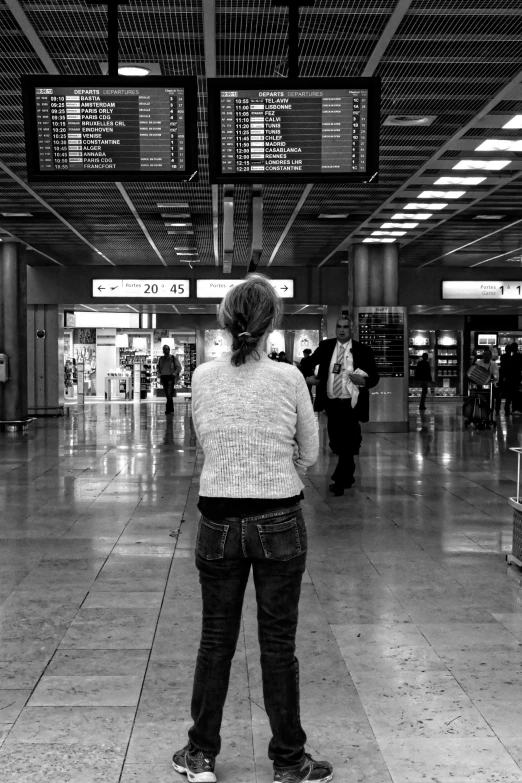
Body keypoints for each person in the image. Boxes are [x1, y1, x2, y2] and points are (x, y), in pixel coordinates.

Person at [172, 274, 332, 783]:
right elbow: (311, 451)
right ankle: (289, 760)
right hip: (279, 520)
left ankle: (199, 754)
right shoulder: (288, 379)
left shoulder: (201, 377)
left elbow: (206, 443)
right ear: (272, 326)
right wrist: (280, 470)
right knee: (278, 643)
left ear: (225, 322)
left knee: (215, 639)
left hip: (217, 520)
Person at [306, 316, 379, 495]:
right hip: (332, 402)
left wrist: (363, 380)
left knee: (346, 442)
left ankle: (340, 480)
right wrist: (308, 377)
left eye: (345, 327)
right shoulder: (326, 347)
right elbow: (307, 363)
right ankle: (348, 474)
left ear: (351, 329)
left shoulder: (362, 350)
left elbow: (374, 377)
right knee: (336, 442)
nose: (342, 330)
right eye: (339, 326)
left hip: (351, 403)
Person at [157, 344, 181, 415]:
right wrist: (159, 374)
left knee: (169, 394)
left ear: (169, 350)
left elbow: (179, 367)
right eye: (164, 349)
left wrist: (174, 373)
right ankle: (171, 409)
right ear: (163, 350)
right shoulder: (161, 359)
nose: (166, 350)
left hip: (170, 377)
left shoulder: (173, 358)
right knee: (167, 394)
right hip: (163, 377)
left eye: (167, 349)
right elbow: (158, 368)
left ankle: (168, 409)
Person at [504, 343, 522, 414]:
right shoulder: (519, 356)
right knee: (516, 394)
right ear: (517, 348)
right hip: (517, 377)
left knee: (509, 394)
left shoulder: (509, 357)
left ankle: (507, 408)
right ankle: (515, 409)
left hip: (509, 378)